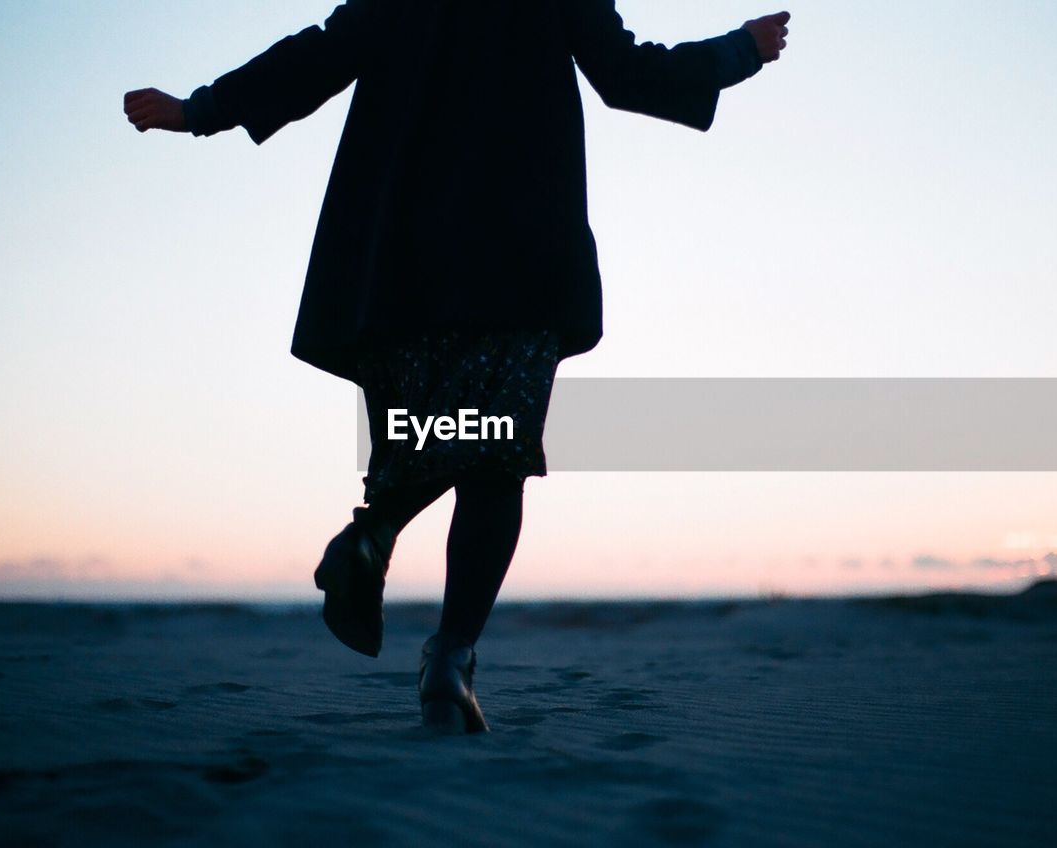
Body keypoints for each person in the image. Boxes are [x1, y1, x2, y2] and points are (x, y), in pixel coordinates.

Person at [124, 1, 790, 735]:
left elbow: (318, 55)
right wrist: (740, 52)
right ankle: (448, 656)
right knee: (495, 459)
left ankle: (374, 539)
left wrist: (199, 110)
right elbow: (627, 73)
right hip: (521, 256)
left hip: (410, 262)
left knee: (444, 437)